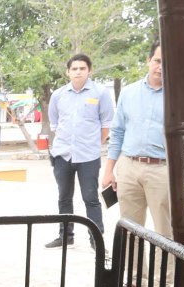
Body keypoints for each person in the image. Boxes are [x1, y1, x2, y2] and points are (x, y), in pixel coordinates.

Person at [103, 41, 170, 287]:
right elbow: (117, 131)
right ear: (148, 60)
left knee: (165, 230)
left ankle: (163, 286)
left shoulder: (180, 94)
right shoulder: (129, 93)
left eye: (167, 62)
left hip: (163, 168)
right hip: (129, 166)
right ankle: (135, 282)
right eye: (157, 61)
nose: (161, 67)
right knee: (130, 228)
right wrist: (109, 169)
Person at [45, 53, 113, 247]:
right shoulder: (58, 95)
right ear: (68, 72)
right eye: (74, 68)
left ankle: (96, 238)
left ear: (89, 71)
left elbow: (106, 124)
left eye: (82, 68)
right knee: (64, 197)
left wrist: (93, 144)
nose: (78, 72)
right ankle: (65, 235)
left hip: (88, 156)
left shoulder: (100, 93)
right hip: (63, 155)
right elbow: (55, 124)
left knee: (90, 198)